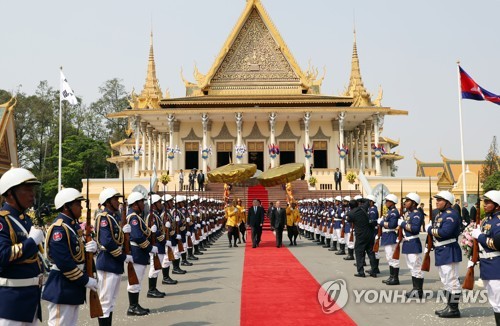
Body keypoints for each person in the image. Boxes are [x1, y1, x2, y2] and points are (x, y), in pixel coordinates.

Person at [43, 188, 98, 325]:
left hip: (72, 286)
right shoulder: (60, 229)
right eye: (77, 204)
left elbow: (76, 253)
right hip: (63, 285)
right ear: (66, 206)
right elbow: (64, 263)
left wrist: (90, 251)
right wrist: (86, 280)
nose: (81, 207)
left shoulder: (72, 227)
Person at [0, 168, 44, 325]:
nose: (32, 193)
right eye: (27, 189)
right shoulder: (2, 221)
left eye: (32, 188)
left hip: (31, 298)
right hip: (11, 301)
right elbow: (2, 256)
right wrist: (31, 241)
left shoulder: (26, 220)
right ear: (10, 193)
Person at [95, 188, 130, 325]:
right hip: (107, 262)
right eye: (115, 199)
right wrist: (122, 257)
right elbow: (107, 241)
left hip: (114, 263)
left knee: (111, 302)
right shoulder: (103, 217)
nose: (118, 202)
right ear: (108, 202)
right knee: (105, 302)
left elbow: (117, 238)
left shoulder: (114, 217)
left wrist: (123, 231)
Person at [426, 190, 462, 318]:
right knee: (445, 279)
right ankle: (449, 306)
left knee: (452, 280)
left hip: (449, 249)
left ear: (447, 202)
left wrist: (430, 229)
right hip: (441, 249)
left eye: (440, 200)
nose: (437, 202)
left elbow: (445, 232)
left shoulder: (452, 215)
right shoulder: (439, 215)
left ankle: (454, 309)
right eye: (437, 200)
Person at [470, 190, 500, 325]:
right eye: (485, 202)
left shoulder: (498, 221)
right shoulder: (486, 220)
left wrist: (480, 236)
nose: (485, 205)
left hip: (496, 264)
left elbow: (497, 244)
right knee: (494, 301)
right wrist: (474, 257)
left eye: (488, 202)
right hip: (486, 264)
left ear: (497, 205)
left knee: (499, 300)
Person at [126, 191, 156, 316]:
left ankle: (135, 305)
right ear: (135, 204)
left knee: (137, 281)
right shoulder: (133, 218)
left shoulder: (136, 216)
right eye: (141, 202)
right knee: (135, 281)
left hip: (139, 252)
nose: (144, 204)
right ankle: (132, 307)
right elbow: (137, 236)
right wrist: (149, 248)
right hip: (137, 252)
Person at [399, 193, 424, 298]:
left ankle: (418, 290)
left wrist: (403, 224)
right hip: (407, 242)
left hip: (413, 243)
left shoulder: (417, 214)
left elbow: (415, 229)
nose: (405, 202)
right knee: (411, 267)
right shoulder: (408, 213)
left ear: (414, 203)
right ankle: (415, 289)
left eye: (408, 200)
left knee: (417, 267)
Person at [346, 199, 377, 277]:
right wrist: (358, 200)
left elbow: (349, 220)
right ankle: (374, 271)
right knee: (371, 252)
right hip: (369, 234)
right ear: (357, 204)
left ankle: (361, 272)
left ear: (350, 207)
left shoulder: (351, 213)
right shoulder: (363, 208)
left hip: (360, 235)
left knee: (359, 253)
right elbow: (367, 201)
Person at [145, 194, 166, 299]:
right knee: (154, 268)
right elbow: (150, 231)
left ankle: (154, 288)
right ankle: (151, 289)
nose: (161, 204)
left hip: (159, 245)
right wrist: (162, 237)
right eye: (159, 202)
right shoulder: (151, 216)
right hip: (156, 244)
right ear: (153, 204)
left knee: (157, 268)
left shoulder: (156, 215)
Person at [379, 194, 400, 285]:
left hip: (390, 234)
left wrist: (382, 222)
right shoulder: (389, 211)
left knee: (393, 257)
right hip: (387, 234)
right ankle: (391, 277)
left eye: (387, 201)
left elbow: (392, 225)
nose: (385, 203)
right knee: (389, 257)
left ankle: (395, 278)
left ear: (392, 202)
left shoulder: (394, 212)